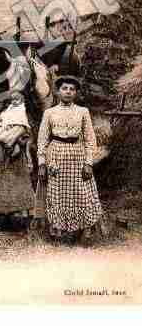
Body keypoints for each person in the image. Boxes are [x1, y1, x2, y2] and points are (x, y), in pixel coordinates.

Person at [37, 75, 103, 245]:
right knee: (57, 192)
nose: (68, 92)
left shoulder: (82, 111)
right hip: (56, 156)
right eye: (64, 88)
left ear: (76, 93)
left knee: (81, 192)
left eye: (72, 89)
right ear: (58, 92)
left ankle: (83, 229)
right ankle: (58, 229)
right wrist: (42, 163)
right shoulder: (49, 113)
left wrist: (89, 162)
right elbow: (42, 140)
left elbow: (90, 139)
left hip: (78, 156)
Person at [0, 90, 35, 231]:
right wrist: (0, 137)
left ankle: (22, 220)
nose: (15, 102)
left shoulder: (23, 115)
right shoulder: (5, 114)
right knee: (0, 184)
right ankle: (1, 219)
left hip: (16, 156)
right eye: (12, 100)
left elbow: (26, 135)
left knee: (17, 185)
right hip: (1, 153)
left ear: (23, 102)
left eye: (18, 100)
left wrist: (18, 140)